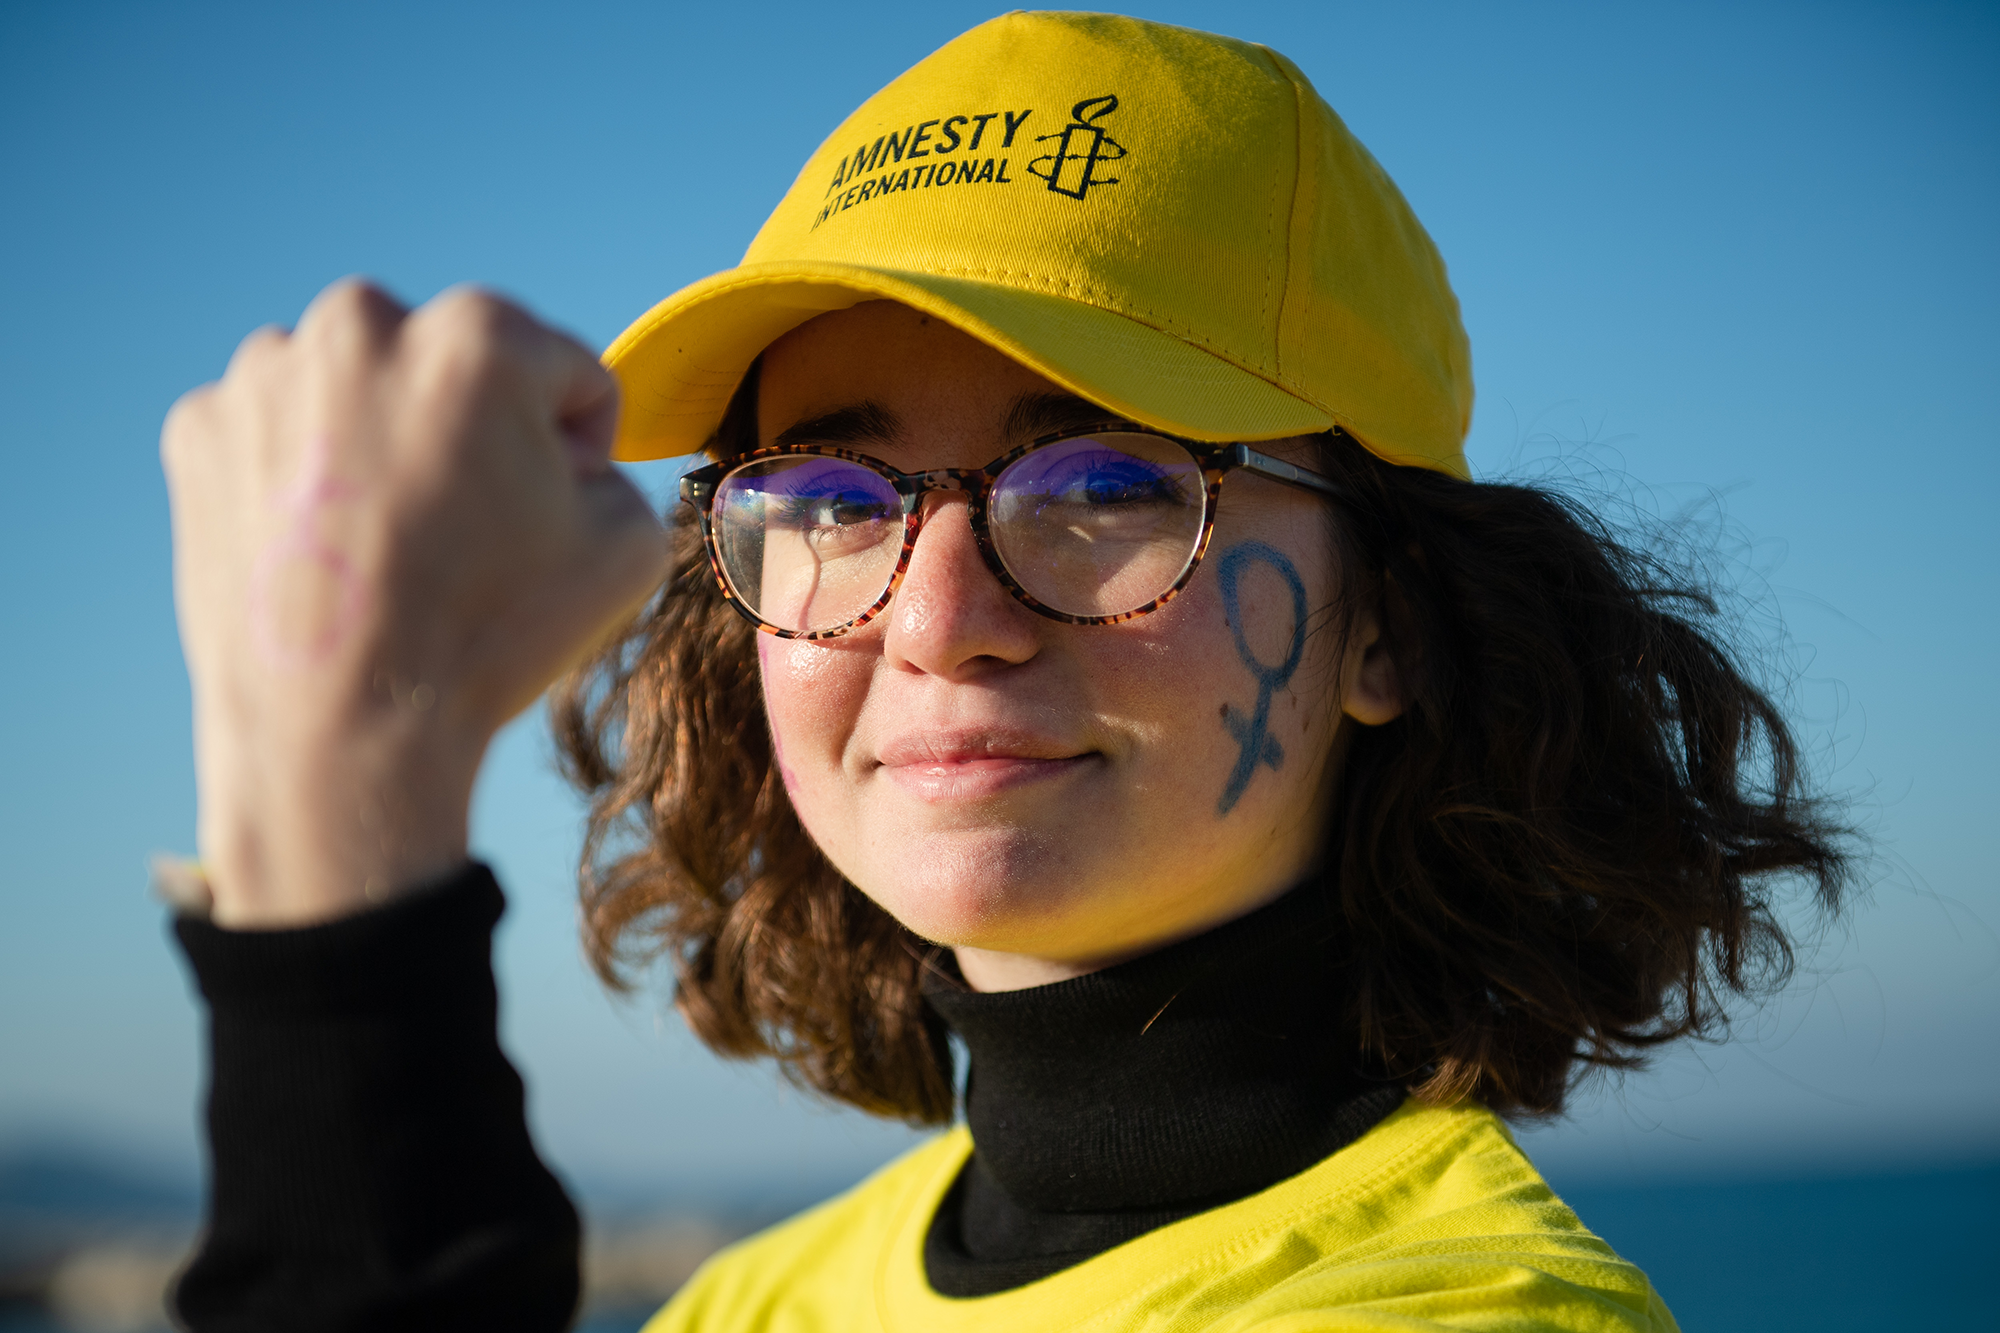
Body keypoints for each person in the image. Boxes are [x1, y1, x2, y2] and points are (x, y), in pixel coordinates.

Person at [158, 12, 1848, 1332]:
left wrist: (331, 861)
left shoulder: (1472, 1310)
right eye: (832, 498)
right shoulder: (755, 1303)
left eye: (1107, 485)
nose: (936, 615)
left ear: (1391, 622)